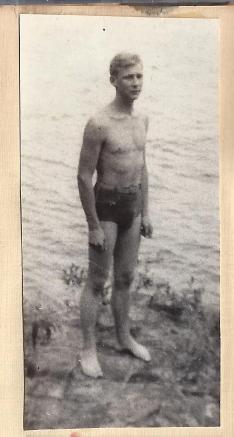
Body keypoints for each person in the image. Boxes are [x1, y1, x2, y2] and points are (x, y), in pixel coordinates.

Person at [77, 52, 153, 378]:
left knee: (125, 278)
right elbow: (83, 176)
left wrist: (146, 211)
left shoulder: (142, 120)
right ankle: (88, 349)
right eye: (128, 77)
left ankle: (123, 338)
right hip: (106, 207)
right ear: (114, 81)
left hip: (132, 207)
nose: (135, 83)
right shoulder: (99, 124)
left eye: (139, 76)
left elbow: (141, 165)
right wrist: (93, 225)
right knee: (97, 281)